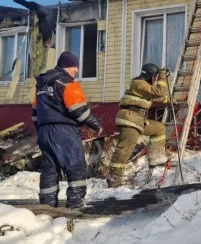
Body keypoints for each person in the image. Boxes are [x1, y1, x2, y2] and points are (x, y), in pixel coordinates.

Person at [31, 52, 103, 209]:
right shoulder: (67, 83)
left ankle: (47, 208)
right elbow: (79, 111)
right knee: (75, 165)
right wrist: (96, 125)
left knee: (49, 169)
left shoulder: (41, 85)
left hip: (44, 132)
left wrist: (42, 131)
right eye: (75, 66)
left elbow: (35, 113)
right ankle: (76, 205)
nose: (76, 70)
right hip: (64, 131)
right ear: (67, 67)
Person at [107, 63, 172, 188]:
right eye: (156, 76)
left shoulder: (142, 87)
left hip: (138, 120)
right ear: (150, 76)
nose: (156, 79)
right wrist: (163, 77)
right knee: (124, 151)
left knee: (159, 128)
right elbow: (157, 92)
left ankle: (156, 158)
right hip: (130, 120)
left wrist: (169, 101)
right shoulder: (139, 83)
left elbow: (154, 97)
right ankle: (114, 181)